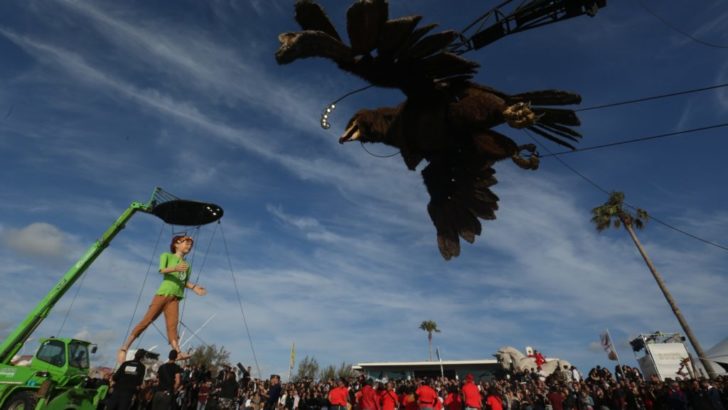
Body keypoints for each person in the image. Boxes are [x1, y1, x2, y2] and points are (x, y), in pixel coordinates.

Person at [118, 235, 207, 363]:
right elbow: (162, 270)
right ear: (176, 244)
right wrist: (175, 268)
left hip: (175, 298)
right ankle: (126, 346)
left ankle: (177, 352)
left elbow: (183, 280)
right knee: (147, 319)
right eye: (186, 243)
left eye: (191, 245)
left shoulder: (187, 265)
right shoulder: (166, 256)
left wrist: (194, 287)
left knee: (172, 326)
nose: (189, 246)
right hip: (163, 294)